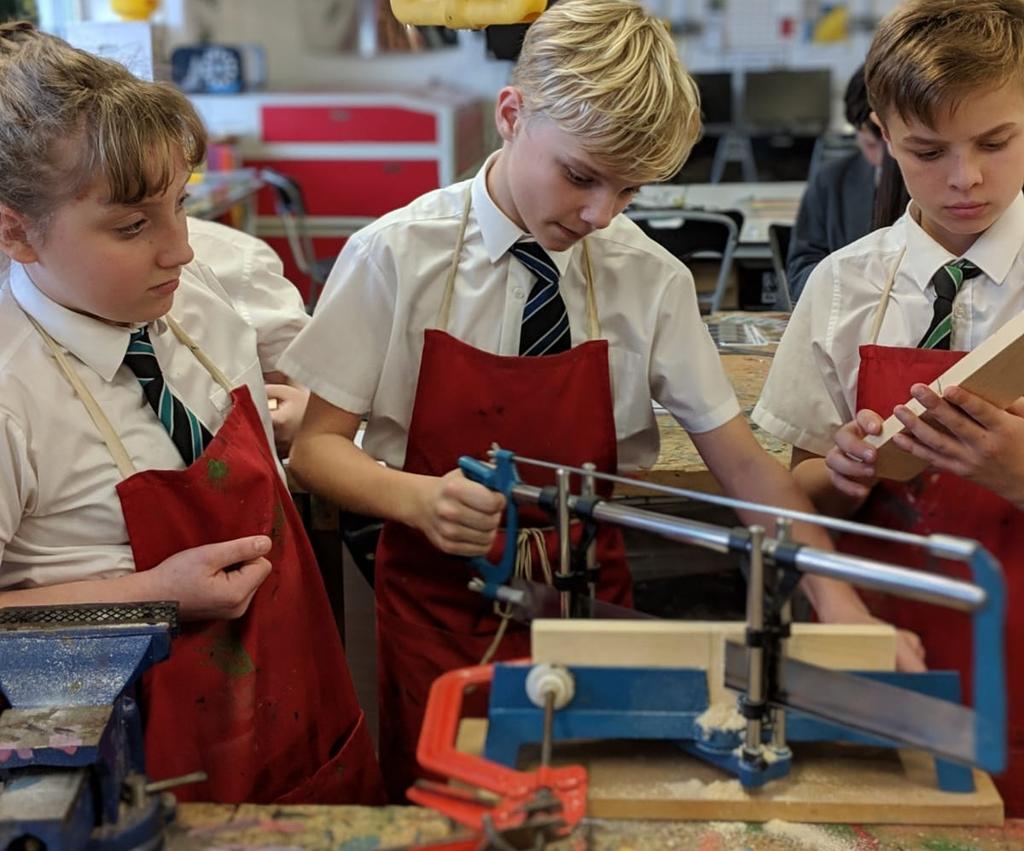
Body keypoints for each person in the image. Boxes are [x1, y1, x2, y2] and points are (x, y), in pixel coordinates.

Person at [280, 0, 921, 802]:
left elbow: (746, 468)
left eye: (630, 192)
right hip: (439, 615)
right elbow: (315, 449)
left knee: (598, 807)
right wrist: (415, 497)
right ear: (512, 114)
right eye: (582, 176)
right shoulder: (395, 256)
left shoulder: (648, 279)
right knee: (457, 813)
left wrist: (840, 602)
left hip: (592, 609)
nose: (600, 214)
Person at [0, 22, 383, 805]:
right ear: (16, 232)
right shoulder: (13, 391)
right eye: (133, 225)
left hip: (296, 719)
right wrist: (154, 592)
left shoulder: (195, 298)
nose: (178, 247)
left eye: (181, 203)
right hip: (125, 768)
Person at [752, 0, 1024, 814]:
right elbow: (794, 499)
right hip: (888, 658)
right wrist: (839, 475)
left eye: (996, 143)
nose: (965, 177)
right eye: (928, 151)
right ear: (880, 134)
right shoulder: (843, 287)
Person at [786, 64, 885, 301]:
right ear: (856, 132)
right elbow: (800, 271)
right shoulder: (831, 181)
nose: (884, 159)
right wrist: (851, 288)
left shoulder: (933, 186)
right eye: (872, 145)